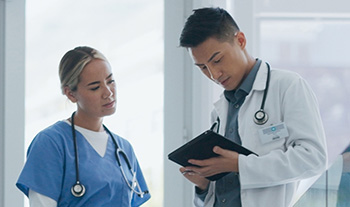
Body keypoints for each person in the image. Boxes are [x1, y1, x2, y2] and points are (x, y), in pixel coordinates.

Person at [178, 7, 327, 207]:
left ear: (240, 40)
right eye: (203, 67)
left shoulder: (287, 86)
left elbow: (313, 158)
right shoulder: (219, 111)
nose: (214, 74)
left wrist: (239, 164)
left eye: (217, 60)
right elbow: (224, 192)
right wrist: (203, 185)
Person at [16, 46, 151, 207]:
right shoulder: (51, 143)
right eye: (95, 87)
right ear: (71, 94)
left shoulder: (124, 149)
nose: (108, 92)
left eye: (110, 81)